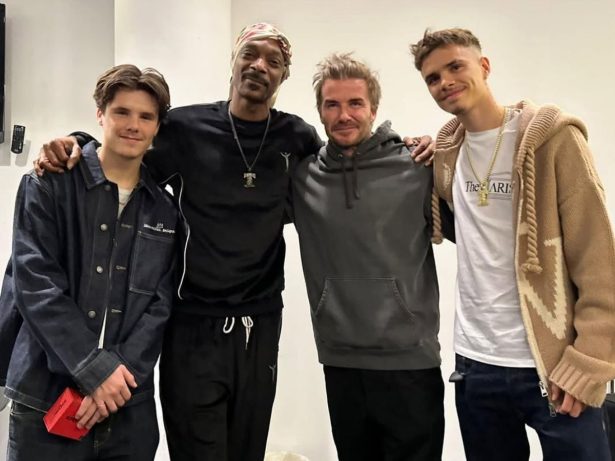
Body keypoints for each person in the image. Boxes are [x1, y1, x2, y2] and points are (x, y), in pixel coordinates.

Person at [35, 23, 433, 461]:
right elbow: (127, 151)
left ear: (283, 76)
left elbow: (344, 161)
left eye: (274, 61)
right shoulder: (184, 128)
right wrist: (78, 143)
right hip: (192, 324)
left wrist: (406, 145)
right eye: (250, 54)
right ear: (234, 61)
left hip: (259, 326)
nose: (260, 65)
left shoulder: (297, 138)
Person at [411, 28, 615, 460]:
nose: (445, 82)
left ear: (484, 66)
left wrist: (589, 361)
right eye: (433, 78)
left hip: (553, 365)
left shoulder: (553, 141)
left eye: (455, 66)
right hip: (475, 365)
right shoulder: (447, 153)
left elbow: (599, 261)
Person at [0, 64, 178, 461]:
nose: (133, 125)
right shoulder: (48, 184)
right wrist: (94, 371)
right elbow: (35, 284)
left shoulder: (165, 210)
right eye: (121, 112)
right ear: (100, 113)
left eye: (146, 116)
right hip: (45, 400)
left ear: (157, 127)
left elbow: (160, 305)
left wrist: (115, 382)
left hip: (128, 411)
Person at [291, 53, 448, 461]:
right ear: (320, 112)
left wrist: (441, 147)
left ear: (374, 109)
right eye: (332, 104)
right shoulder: (303, 178)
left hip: (410, 362)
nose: (344, 115)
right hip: (341, 361)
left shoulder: (417, 167)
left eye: (355, 103)